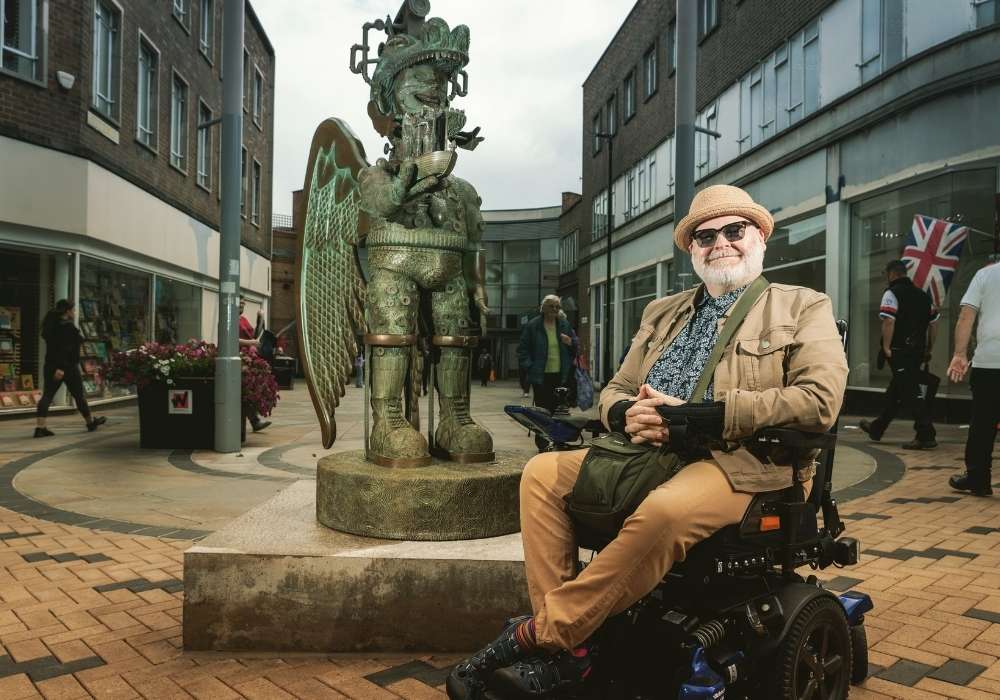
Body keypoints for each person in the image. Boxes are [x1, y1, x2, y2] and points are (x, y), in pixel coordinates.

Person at [447, 184, 848, 699]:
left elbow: (818, 402)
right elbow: (614, 388)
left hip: (742, 461)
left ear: (760, 237)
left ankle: (548, 635)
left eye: (734, 230)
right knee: (541, 475)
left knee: (663, 513)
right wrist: (624, 412)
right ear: (691, 250)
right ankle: (575, 655)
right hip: (647, 453)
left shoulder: (801, 306)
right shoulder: (663, 311)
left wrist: (705, 417)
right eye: (705, 236)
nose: (720, 242)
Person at [858, 259, 938, 449]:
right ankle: (877, 428)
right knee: (898, 389)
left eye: (886, 274)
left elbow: (888, 322)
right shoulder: (924, 296)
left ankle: (926, 435)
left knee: (911, 392)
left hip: (899, 352)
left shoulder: (891, 293)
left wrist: (886, 347)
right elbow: (934, 324)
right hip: (917, 351)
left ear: (892, 273)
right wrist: (929, 348)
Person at [946, 261, 1000, 496]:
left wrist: (960, 354)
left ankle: (978, 479)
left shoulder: (985, 274)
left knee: (983, 424)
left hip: (989, 363)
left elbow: (966, 316)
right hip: (988, 362)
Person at [34, 299, 106, 437]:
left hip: (50, 365)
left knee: (47, 395)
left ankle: (40, 427)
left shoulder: (50, 326)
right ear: (67, 311)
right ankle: (90, 423)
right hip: (67, 367)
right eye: (73, 310)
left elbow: (55, 349)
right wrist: (61, 368)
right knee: (79, 395)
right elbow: (66, 350)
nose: (74, 312)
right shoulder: (68, 328)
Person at [517, 295, 578, 413]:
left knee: (559, 409)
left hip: (561, 375)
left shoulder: (564, 325)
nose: (555, 309)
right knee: (543, 409)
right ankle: (543, 431)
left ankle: (555, 431)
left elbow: (575, 349)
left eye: (557, 307)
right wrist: (530, 366)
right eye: (551, 306)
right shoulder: (533, 326)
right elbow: (522, 350)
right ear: (543, 308)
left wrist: (571, 342)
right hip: (541, 375)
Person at [238, 296, 271, 432]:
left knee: (248, 391)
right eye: (240, 303)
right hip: (238, 359)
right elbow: (231, 338)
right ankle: (254, 421)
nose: (242, 306)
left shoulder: (243, 319)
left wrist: (260, 319)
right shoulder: (229, 318)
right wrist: (251, 343)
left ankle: (254, 421)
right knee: (244, 391)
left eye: (243, 303)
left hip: (248, 358)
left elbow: (255, 334)